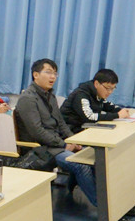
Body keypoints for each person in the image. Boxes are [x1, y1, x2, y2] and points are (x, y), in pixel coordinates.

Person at [14, 58, 97, 206]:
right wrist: (64, 145)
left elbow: (61, 123)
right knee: (81, 165)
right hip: (41, 149)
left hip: (55, 144)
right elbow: (37, 132)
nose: (52, 77)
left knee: (94, 157)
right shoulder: (28, 99)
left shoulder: (50, 96)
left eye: (55, 73)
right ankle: (102, 207)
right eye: (48, 72)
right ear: (35, 75)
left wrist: (73, 141)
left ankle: (100, 198)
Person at [62, 68, 130, 131]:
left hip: (84, 128)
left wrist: (120, 110)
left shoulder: (97, 94)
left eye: (113, 88)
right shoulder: (81, 94)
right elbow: (89, 117)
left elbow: (107, 105)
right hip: (70, 130)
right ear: (96, 84)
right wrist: (117, 115)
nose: (110, 92)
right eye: (107, 88)